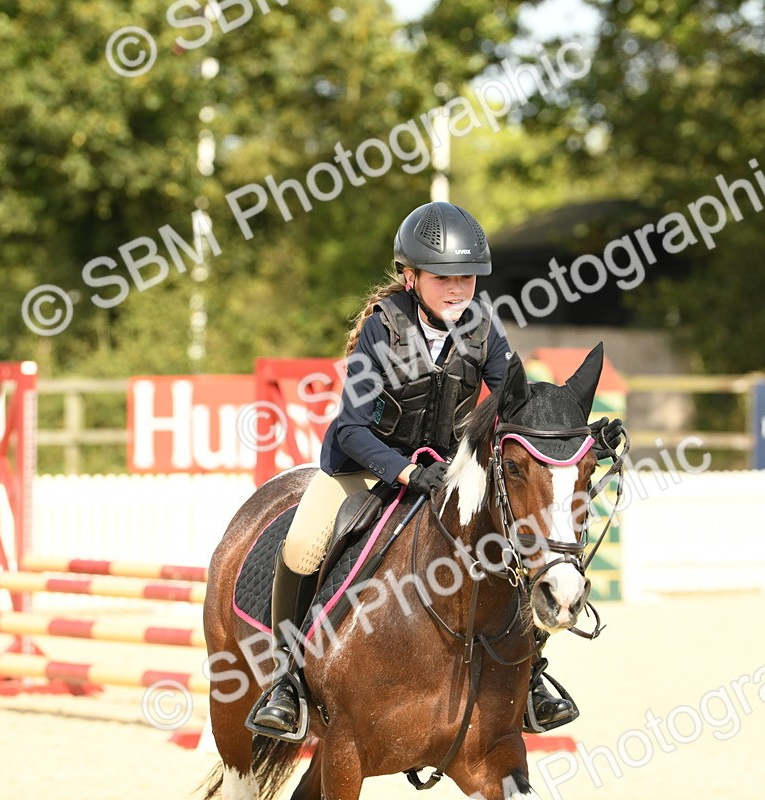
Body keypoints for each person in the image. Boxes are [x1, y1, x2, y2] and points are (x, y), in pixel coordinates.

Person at [247, 201, 580, 741]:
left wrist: (573, 428)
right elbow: (352, 428)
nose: (458, 290)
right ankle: (286, 677)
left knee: (512, 537)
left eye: (467, 278)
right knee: (303, 543)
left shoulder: (481, 329)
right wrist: (404, 473)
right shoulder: (383, 334)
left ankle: (533, 673)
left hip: (446, 471)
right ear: (410, 276)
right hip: (363, 469)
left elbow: (517, 399)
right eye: (443, 277)